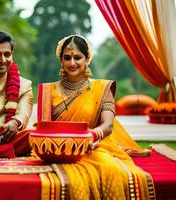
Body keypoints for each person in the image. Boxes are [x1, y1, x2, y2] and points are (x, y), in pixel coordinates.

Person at [38, 35, 155, 199]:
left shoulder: (102, 88)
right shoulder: (48, 91)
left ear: (87, 59)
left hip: (93, 146)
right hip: (58, 150)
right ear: (61, 60)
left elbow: (108, 125)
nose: (72, 63)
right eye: (67, 58)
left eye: (77, 57)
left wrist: (91, 136)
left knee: (113, 172)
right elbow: (45, 128)